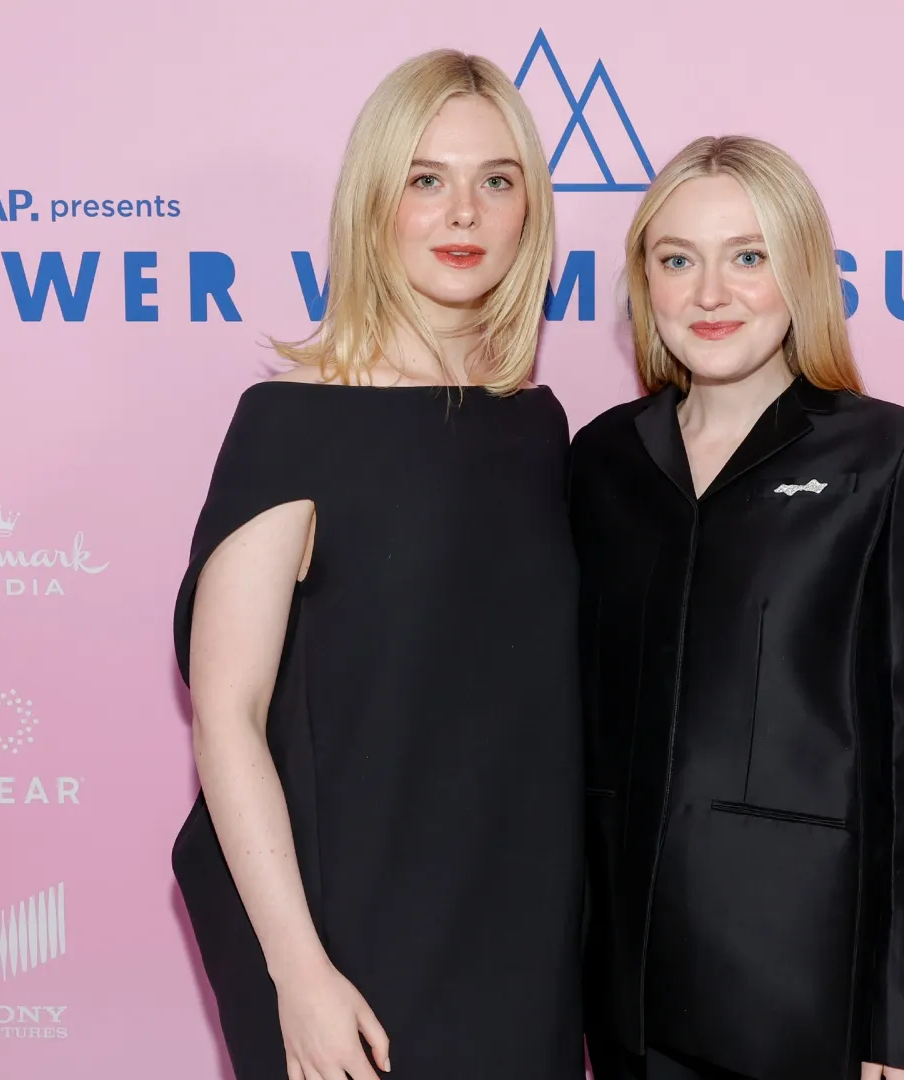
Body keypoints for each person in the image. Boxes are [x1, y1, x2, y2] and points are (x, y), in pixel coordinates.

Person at [169, 49, 581, 1080]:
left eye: (497, 181)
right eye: (426, 179)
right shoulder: (291, 425)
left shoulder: (536, 428)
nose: (463, 213)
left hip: (522, 936)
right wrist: (298, 972)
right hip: (345, 936)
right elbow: (227, 716)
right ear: (373, 202)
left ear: (529, 212)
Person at [571, 136, 904, 1080]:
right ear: (644, 283)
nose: (710, 294)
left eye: (747, 257)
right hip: (619, 983)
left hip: (798, 982)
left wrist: (902, 1030)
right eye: (677, 261)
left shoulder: (888, 457)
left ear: (801, 273)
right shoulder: (600, 459)